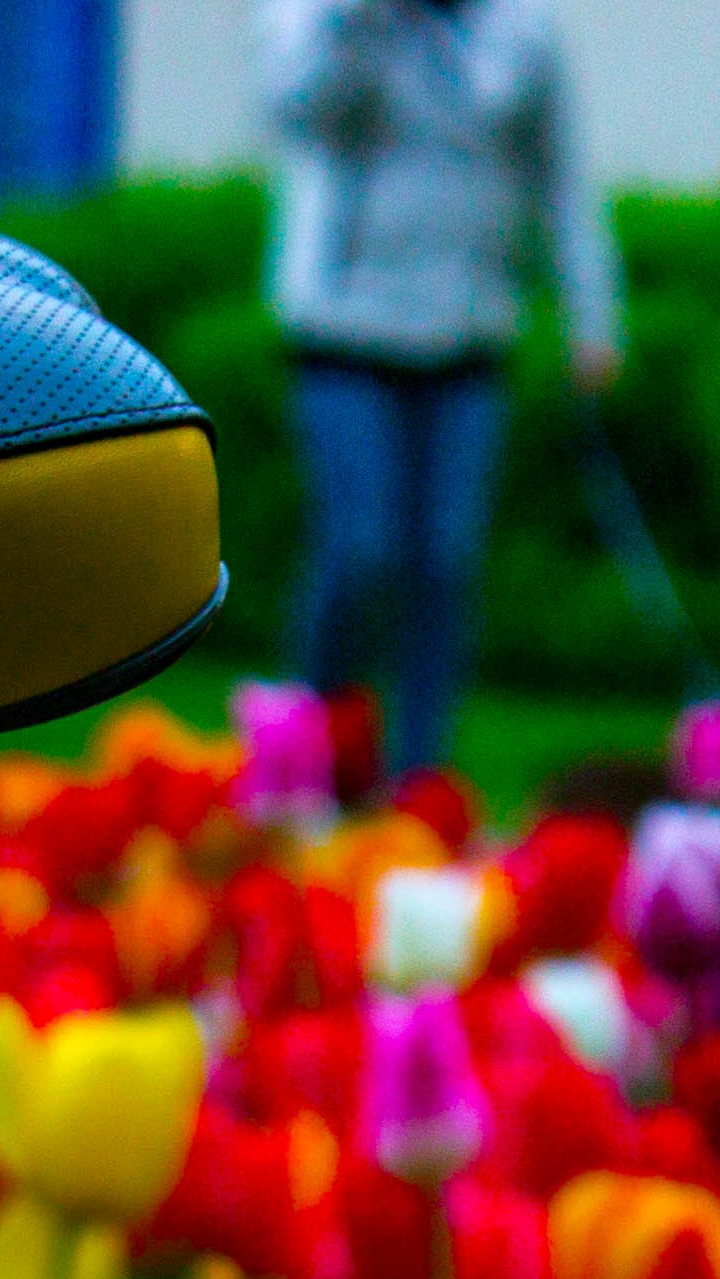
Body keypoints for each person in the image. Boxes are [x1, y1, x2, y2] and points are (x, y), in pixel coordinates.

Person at [257, 0, 619, 793]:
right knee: (359, 549)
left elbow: (560, 177)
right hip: (344, 326)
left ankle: (419, 781)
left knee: (444, 562)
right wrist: (361, 24)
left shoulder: (522, 30)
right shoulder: (328, 16)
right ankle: (304, 761)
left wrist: (592, 317)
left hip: (469, 331)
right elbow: (295, 113)